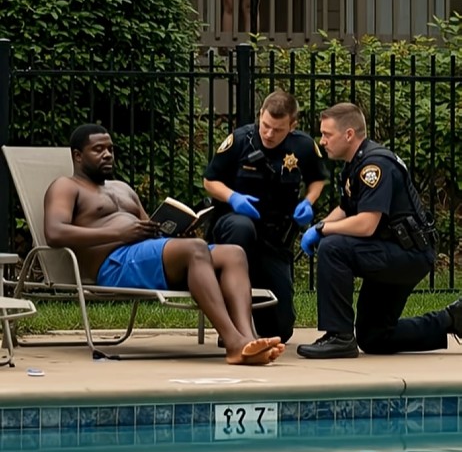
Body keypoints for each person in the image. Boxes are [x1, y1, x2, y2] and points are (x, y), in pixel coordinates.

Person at [43, 123, 285, 366]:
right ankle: (233, 343)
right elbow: (54, 233)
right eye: (98, 149)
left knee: (234, 253)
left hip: (145, 255)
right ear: (78, 155)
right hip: (114, 263)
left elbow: (149, 228)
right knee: (196, 248)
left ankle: (248, 339)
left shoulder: (122, 188)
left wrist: (176, 233)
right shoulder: (66, 186)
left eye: (110, 149)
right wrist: (118, 233)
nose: (107, 154)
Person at [296, 102, 461, 359]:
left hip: (407, 255)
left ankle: (338, 337)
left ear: (349, 134)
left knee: (333, 247)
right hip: (394, 251)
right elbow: (347, 208)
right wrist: (318, 227)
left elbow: (366, 223)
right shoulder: (356, 163)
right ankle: (451, 319)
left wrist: (323, 229)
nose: (323, 141)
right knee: (374, 336)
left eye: (327, 134)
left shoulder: (374, 166)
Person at [203, 91, 328, 343]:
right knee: (242, 228)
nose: (269, 134)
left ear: (292, 126)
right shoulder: (240, 141)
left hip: (273, 237)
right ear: (260, 115)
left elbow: (318, 179)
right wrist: (233, 197)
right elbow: (210, 181)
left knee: (280, 330)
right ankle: (233, 327)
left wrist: (308, 201)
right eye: (265, 125)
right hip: (234, 225)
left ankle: (259, 323)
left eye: (278, 129)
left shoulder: (303, 146)